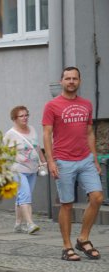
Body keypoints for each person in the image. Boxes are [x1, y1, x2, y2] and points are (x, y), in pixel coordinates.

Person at [42, 66, 104, 261]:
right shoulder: (52, 106)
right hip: (63, 160)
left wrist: (94, 157)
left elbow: (89, 133)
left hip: (85, 158)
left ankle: (83, 238)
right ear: (61, 81)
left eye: (74, 78)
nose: (71, 81)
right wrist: (51, 161)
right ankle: (67, 246)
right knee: (67, 204)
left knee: (97, 197)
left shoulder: (86, 104)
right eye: (67, 78)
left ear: (79, 81)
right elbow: (47, 134)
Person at [4, 105, 46, 234]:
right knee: (25, 195)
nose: (25, 118)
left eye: (26, 115)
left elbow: (37, 147)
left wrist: (43, 161)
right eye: (21, 116)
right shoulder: (10, 135)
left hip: (32, 169)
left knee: (22, 197)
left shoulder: (32, 129)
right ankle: (30, 223)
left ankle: (18, 224)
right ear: (14, 119)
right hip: (18, 170)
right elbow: (6, 154)